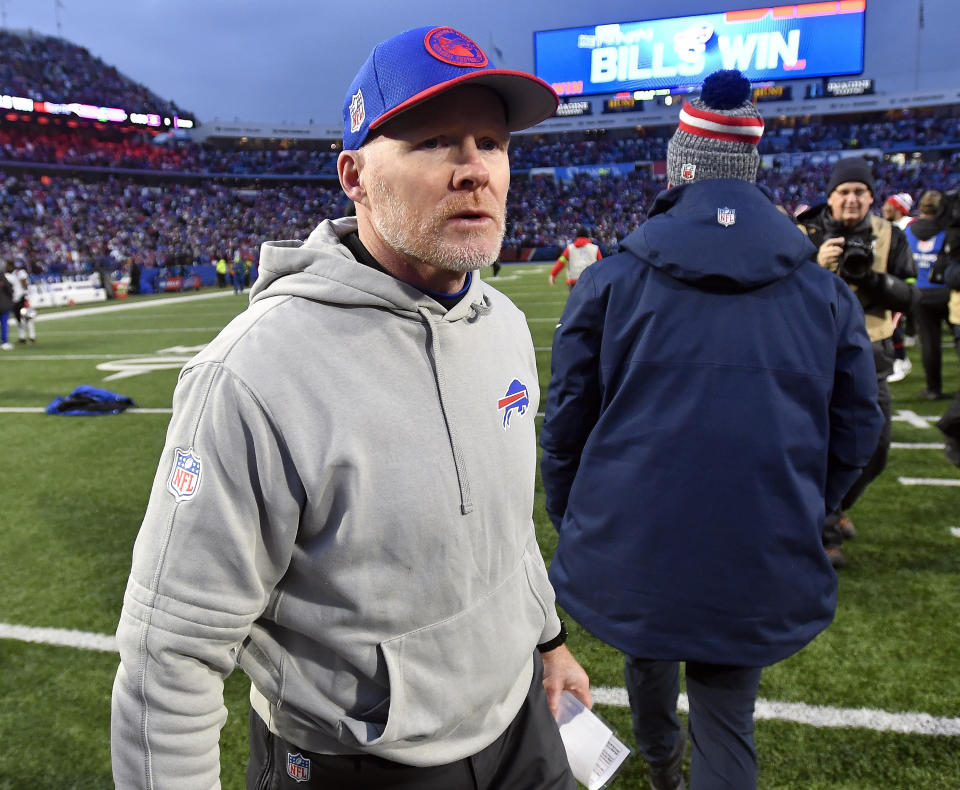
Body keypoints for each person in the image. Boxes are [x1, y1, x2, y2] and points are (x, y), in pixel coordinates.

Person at [111, 25, 591, 790]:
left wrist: (547, 640)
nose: (475, 171)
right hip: (362, 765)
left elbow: (506, 528)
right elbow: (171, 654)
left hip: (521, 724)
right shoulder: (253, 374)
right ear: (355, 176)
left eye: (491, 144)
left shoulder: (500, 323)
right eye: (435, 142)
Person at [540, 70, 884, 790]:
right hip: (758, 533)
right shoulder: (821, 289)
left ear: (681, 165)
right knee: (728, 715)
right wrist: (810, 505)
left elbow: (567, 418)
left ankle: (663, 764)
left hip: (636, 534)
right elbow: (859, 427)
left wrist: (577, 515)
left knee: (647, 650)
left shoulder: (611, 279)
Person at [796, 156, 919, 567]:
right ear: (829, 197)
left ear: (871, 197)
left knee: (876, 447)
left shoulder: (890, 235)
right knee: (819, 445)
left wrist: (870, 279)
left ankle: (835, 505)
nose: (851, 199)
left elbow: (910, 295)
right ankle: (826, 528)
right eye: (843, 192)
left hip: (872, 352)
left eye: (859, 192)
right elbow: (781, 293)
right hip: (815, 353)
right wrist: (816, 266)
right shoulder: (804, 232)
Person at [904, 190, 959, 399]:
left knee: (929, 342)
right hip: (947, 291)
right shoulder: (948, 230)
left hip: (920, 292)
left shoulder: (909, 230)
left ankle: (933, 389)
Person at [881, 192, 916, 382]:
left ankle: (901, 359)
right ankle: (899, 358)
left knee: (893, 324)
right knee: (890, 323)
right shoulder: (885, 227)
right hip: (889, 280)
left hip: (903, 281)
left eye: (889, 205)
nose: (884, 208)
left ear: (898, 208)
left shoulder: (911, 226)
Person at [6, 262, 35, 344]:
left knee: (28, 318)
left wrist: (26, 295)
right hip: (15, 300)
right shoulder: (8, 275)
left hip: (23, 298)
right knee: (19, 319)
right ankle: (22, 337)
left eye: (8, 266)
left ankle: (32, 337)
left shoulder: (19, 272)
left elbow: (25, 284)